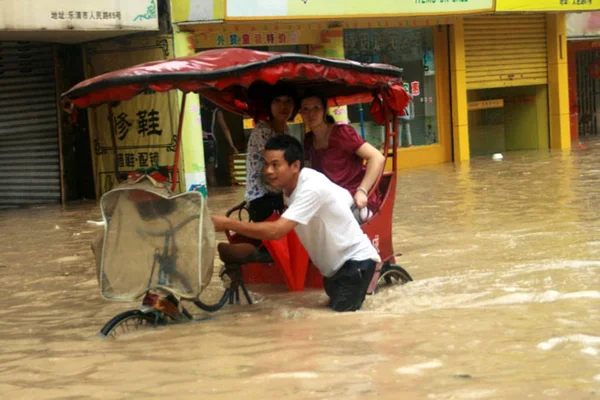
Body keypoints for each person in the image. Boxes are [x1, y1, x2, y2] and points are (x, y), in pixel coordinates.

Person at [212, 135, 381, 312]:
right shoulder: (291, 187)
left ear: (295, 166)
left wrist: (228, 223)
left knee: (339, 325)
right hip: (333, 270)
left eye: (275, 165)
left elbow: (277, 231)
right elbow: (345, 198)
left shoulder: (310, 188)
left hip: (354, 264)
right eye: (267, 164)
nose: (268, 171)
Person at [299, 92, 386, 220]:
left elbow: (377, 157)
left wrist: (362, 191)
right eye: (305, 109)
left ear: (324, 111)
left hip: (353, 197)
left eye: (316, 108)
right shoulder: (308, 140)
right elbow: (308, 172)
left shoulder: (342, 133)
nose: (310, 114)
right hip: (327, 198)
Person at [244, 82, 297, 222]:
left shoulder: (286, 131)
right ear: (270, 105)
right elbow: (276, 165)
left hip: (279, 193)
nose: (283, 107)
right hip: (261, 196)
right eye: (277, 101)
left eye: (288, 101)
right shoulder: (263, 130)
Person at [201, 99, 239, 186]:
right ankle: (215, 196)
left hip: (196, 143)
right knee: (211, 175)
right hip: (210, 143)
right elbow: (224, 128)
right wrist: (232, 145)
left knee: (198, 174)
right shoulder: (216, 110)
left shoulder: (194, 107)